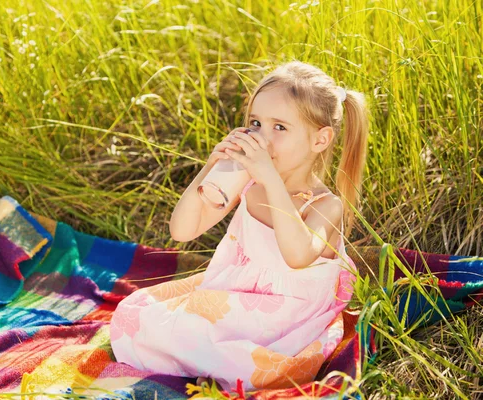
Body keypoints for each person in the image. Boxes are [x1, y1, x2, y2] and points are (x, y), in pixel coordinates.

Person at [109, 60, 369, 393]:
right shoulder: (249, 183)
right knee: (135, 315)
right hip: (238, 295)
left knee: (245, 361)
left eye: (280, 128)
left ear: (320, 140)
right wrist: (211, 167)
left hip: (285, 317)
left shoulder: (324, 204)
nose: (262, 136)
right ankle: (207, 356)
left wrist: (270, 179)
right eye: (256, 123)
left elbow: (298, 255)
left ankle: (219, 361)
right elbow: (182, 230)